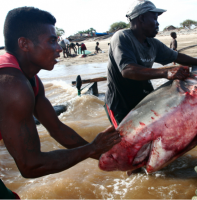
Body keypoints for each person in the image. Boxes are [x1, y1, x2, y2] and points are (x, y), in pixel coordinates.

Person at [0, 7, 121, 199]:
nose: (59, 48)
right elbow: (31, 166)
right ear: (24, 44)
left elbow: (57, 129)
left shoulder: (31, 80)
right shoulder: (13, 85)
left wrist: (106, 155)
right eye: (51, 41)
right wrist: (93, 148)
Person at [104, 0, 197, 129]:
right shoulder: (122, 37)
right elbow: (127, 70)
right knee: (125, 142)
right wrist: (166, 72)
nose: (158, 24)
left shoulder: (153, 44)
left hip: (141, 99)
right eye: (155, 19)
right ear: (142, 18)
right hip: (120, 104)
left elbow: (177, 56)